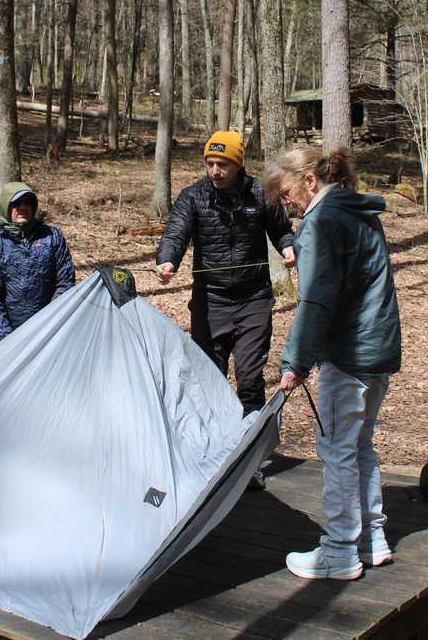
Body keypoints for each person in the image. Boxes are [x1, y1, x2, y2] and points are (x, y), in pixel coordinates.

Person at [265, 146, 402, 581]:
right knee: (358, 446)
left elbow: (318, 301)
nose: (285, 203)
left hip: (351, 351)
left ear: (310, 180)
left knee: (338, 450)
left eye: (286, 192)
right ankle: (371, 539)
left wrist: (295, 360)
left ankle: (340, 550)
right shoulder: (359, 212)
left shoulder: (323, 220)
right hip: (377, 349)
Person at [155, 130, 296, 417]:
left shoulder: (260, 194)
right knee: (208, 379)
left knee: (249, 379)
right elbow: (175, 233)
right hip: (210, 301)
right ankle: (215, 443)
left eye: (223, 164)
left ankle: (251, 442)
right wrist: (168, 260)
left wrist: (288, 248)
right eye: (210, 164)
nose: (215, 171)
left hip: (253, 300)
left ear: (238, 164)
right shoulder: (193, 196)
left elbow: (281, 230)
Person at [0, 182, 76, 341]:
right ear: (5, 206)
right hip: (11, 335)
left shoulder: (52, 237)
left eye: (28, 202)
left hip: (52, 331)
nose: (23, 207)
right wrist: (8, 340)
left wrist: (50, 323)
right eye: (16, 203)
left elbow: (65, 282)